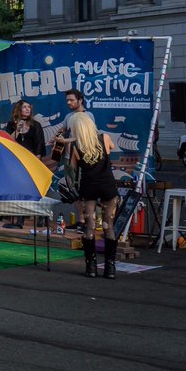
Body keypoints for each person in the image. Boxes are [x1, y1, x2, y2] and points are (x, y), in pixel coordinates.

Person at [69, 114, 119, 279]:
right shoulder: (104, 137)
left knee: (89, 227)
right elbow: (111, 148)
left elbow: (72, 168)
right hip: (107, 186)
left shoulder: (76, 146)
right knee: (108, 226)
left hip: (88, 188)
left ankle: (91, 266)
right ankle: (110, 267)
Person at [2, 99, 46, 229]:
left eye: (29, 107)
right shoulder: (12, 124)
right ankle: (17, 219)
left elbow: (39, 144)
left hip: (32, 161)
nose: (27, 109)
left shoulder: (35, 125)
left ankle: (41, 217)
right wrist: (17, 130)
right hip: (16, 161)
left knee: (33, 190)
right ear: (18, 109)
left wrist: (36, 163)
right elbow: (8, 141)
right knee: (17, 190)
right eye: (24, 107)